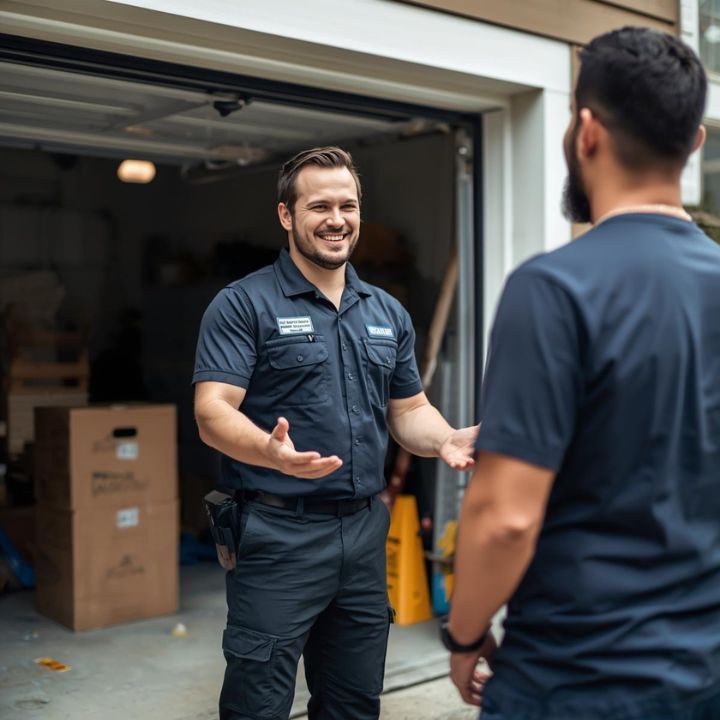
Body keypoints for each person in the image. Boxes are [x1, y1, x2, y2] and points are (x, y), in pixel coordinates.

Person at [446, 26, 720, 720]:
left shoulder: (554, 289)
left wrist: (465, 635)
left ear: (587, 131)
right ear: (694, 145)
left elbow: (505, 518)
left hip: (576, 682)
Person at [193, 146, 477, 720]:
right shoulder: (243, 304)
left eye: (348, 205)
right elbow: (212, 411)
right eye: (319, 205)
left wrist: (443, 437)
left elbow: (408, 409)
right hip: (275, 534)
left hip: (363, 532)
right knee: (258, 704)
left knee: (353, 701)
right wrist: (269, 453)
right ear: (286, 216)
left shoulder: (386, 312)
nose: (336, 219)